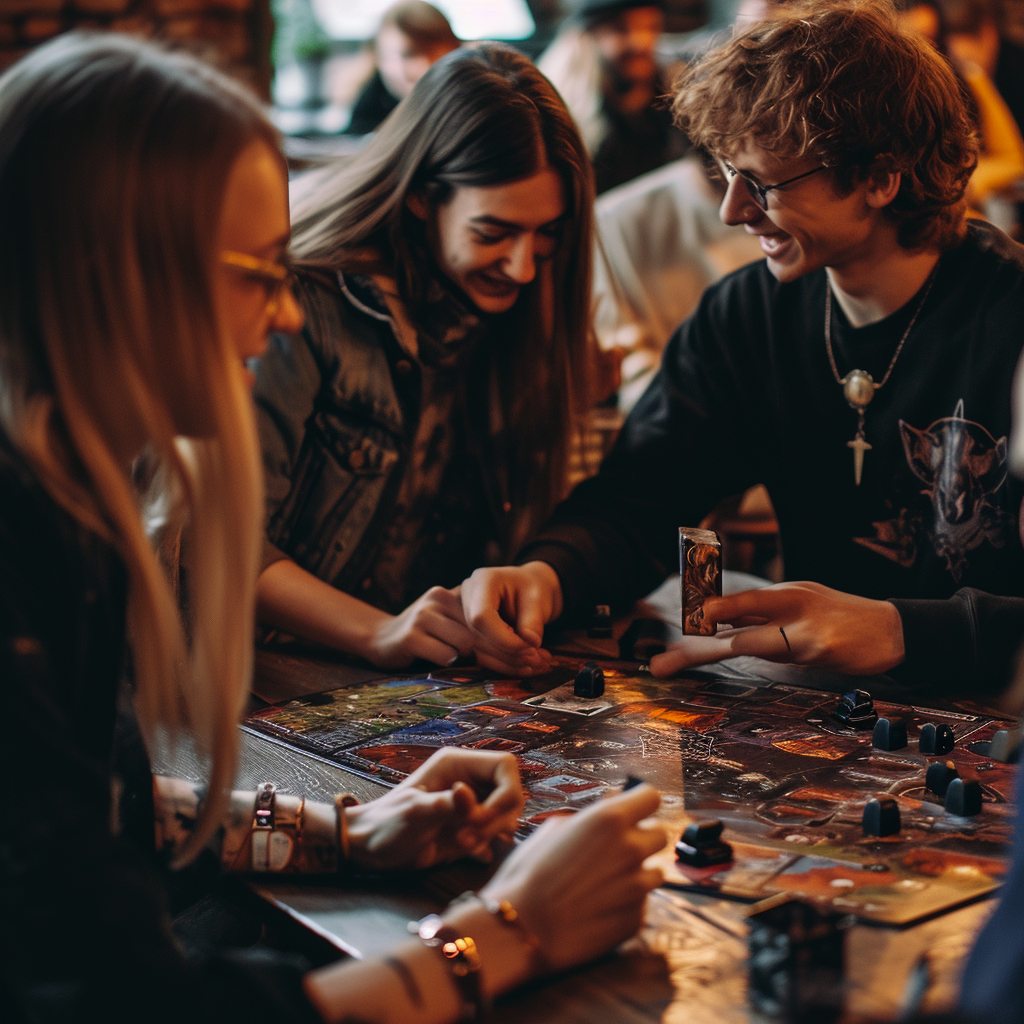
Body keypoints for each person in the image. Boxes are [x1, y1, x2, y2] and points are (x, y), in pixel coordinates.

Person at [0, 32, 666, 1022]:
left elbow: (108, 824)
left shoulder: (59, 509)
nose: (281, 315)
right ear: (122, 271)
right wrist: (508, 930)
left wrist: (353, 833)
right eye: (261, 273)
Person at [459, 0, 1024, 695]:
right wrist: (545, 573)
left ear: (881, 178)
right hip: (827, 718)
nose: (733, 210)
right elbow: (640, 500)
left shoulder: (1008, 318)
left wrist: (899, 629)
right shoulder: (746, 315)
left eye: (762, 183)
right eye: (726, 174)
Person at [254, 45, 597, 671]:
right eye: (493, 232)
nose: (523, 267)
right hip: (272, 675)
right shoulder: (304, 303)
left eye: (546, 233)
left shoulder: (519, 312)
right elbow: (214, 545)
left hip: (421, 685)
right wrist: (379, 632)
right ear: (419, 197)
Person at [538, 0, 688, 194]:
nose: (640, 42)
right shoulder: (566, 110)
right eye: (621, 30)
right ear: (589, 36)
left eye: (650, 27)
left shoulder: (676, 89)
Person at [896, 0, 1024, 210]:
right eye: (912, 42)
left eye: (932, 39)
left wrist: (969, 180)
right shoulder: (886, 99)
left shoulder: (969, 78)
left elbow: (1013, 158)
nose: (926, 54)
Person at [344, 1, 459, 136]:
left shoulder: (472, 103)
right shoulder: (369, 109)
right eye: (409, 55)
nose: (424, 66)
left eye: (431, 53)